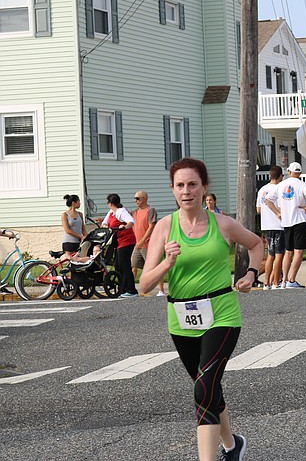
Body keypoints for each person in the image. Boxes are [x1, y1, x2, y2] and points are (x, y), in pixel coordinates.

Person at [139, 157, 262, 461]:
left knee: (204, 385)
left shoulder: (223, 223)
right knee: (207, 387)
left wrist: (250, 274)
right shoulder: (165, 227)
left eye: (192, 184)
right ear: (172, 189)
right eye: (180, 185)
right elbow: (144, 285)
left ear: (204, 187)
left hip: (221, 313)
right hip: (181, 318)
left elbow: (257, 244)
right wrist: (166, 264)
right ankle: (233, 445)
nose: (186, 190)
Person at [265, 162, 306, 289]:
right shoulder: (302, 184)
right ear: (299, 172)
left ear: (289, 172)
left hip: (286, 222)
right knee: (299, 251)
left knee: (288, 252)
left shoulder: (281, 185)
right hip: (300, 220)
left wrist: (278, 213)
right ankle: (292, 280)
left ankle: (284, 280)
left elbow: (267, 200)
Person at [101, 194, 137, 297]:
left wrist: (124, 227)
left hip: (127, 241)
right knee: (118, 265)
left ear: (111, 203)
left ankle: (131, 290)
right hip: (118, 242)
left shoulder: (121, 211)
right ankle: (123, 288)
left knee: (124, 265)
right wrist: (105, 226)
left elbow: (131, 222)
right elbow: (104, 223)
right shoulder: (112, 212)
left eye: (108, 202)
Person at [257, 166, 285, 290]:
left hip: (267, 225)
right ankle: (275, 282)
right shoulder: (279, 189)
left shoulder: (262, 190)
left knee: (270, 255)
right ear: (280, 176)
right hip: (278, 224)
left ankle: (267, 283)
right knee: (279, 255)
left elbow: (258, 210)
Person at [132, 191, 161, 295]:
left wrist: (143, 240)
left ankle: (161, 290)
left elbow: (151, 226)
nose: (135, 201)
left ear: (144, 199)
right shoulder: (134, 212)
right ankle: (131, 288)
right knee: (133, 265)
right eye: (135, 198)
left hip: (148, 244)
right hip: (138, 245)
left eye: (138, 198)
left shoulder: (150, 210)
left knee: (155, 267)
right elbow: (122, 218)